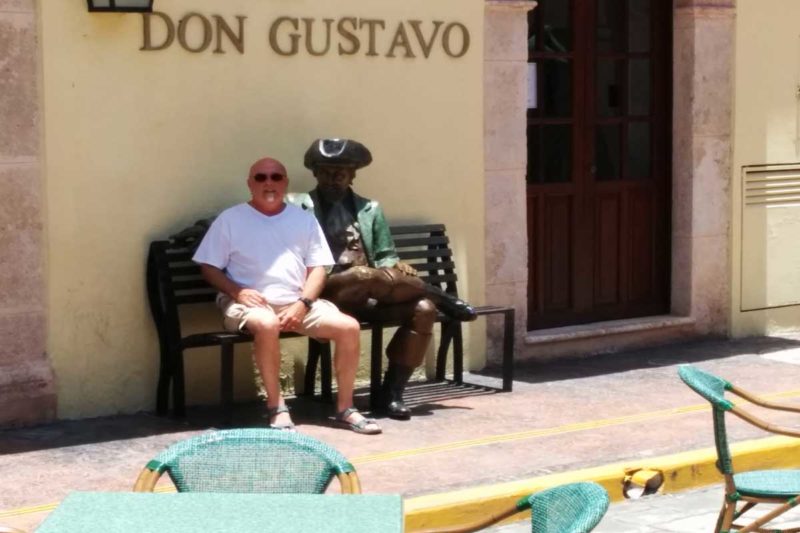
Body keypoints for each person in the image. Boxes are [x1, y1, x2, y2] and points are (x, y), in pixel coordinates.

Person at [289, 138, 476, 420]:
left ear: (353, 175)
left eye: (341, 173)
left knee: (424, 309)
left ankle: (391, 393)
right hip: (325, 293)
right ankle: (443, 297)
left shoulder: (369, 209)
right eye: (326, 171)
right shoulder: (298, 205)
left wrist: (395, 266)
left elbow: (386, 254)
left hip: (370, 293)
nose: (333, 179)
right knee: (363, 275)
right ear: (315, 173)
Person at [192, 157, 381, 435]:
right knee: (267, 325)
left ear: (285, 183)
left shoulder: (303, 220)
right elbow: (208, 266)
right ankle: (277, 407)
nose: (269, 183)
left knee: (348, 327)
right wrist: (237, 291)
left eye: (276, 177)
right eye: (261, 178)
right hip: (247, 303)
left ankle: (345, 409)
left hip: (297, 301)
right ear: (250, 184)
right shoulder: (231, 219)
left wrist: (303, 303)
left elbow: (318, 268)